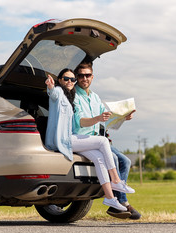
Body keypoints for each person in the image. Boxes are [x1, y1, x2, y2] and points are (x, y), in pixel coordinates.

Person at [45, 68, 134, 213]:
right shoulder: (59, 93)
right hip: (65, 140)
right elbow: (54, 95)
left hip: (77, 139)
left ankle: (110, 198)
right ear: (59, 80)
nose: (70, 81)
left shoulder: (73, 96)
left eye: (72, 79)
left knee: (99, 158)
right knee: (103, 142)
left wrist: (123, 116)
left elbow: (105, 117)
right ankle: (116, 181)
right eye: (66, 79)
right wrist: (50, 87)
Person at [73, 62, 141, 220]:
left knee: (126, 161)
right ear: (76, 77)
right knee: (115, 159)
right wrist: (97, 118)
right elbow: (80, 122)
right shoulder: (74, 96)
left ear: (92, 77)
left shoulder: (95, 97)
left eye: (87, 75)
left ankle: (118, 201)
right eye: (81, 75)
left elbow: (108, 118)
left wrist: (124, 116)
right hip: (83, 138)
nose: (84, 78)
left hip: (98, 138)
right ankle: (120, 203)